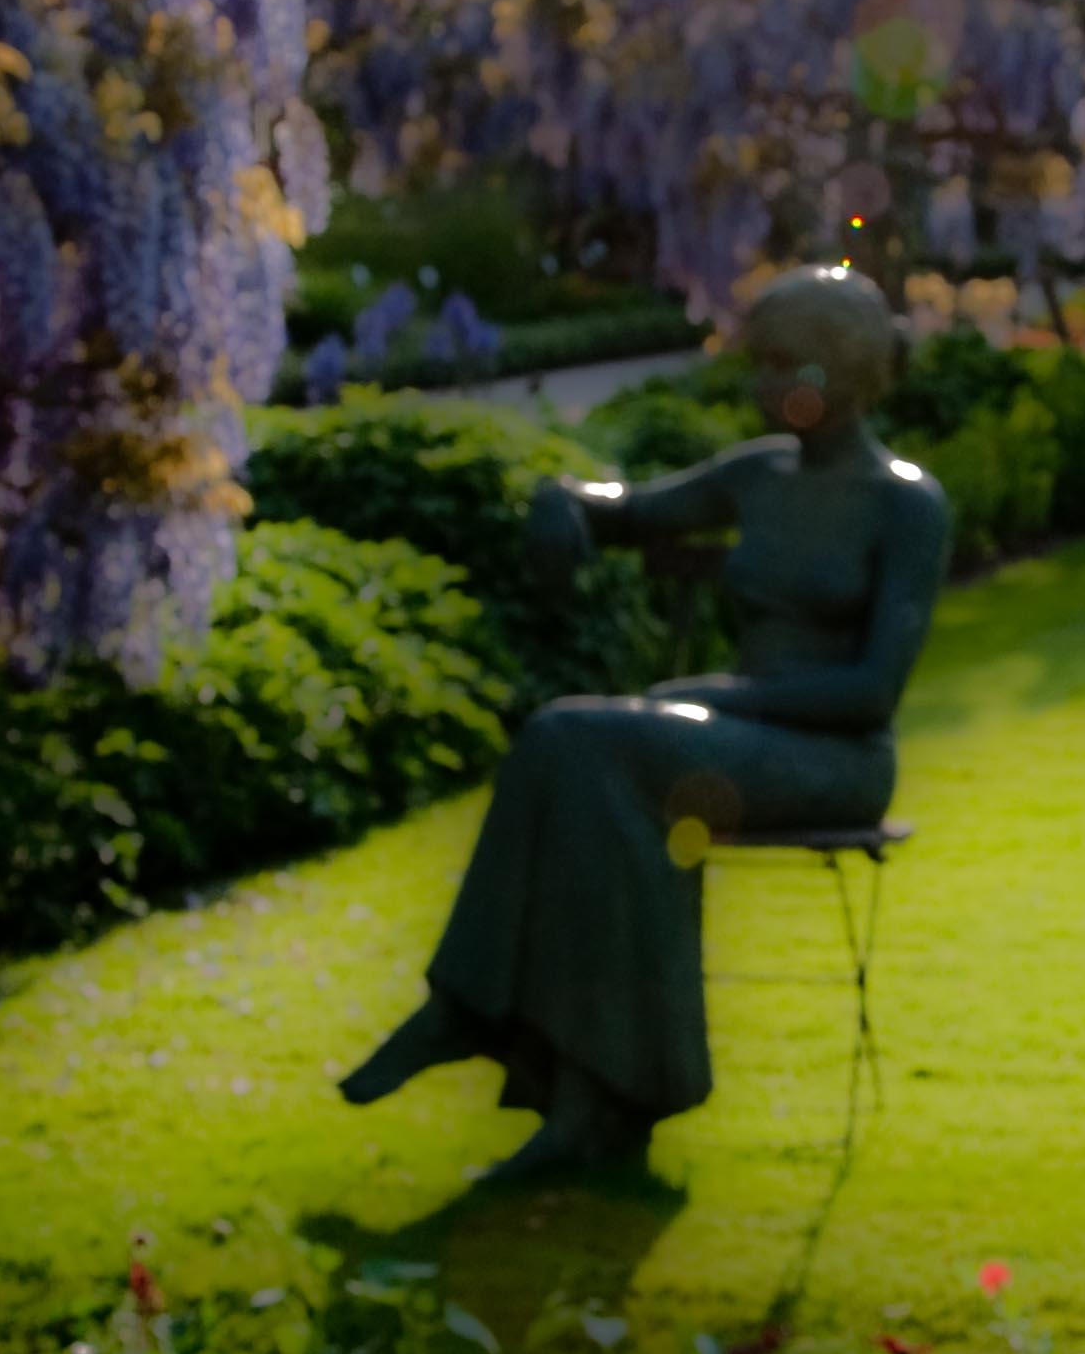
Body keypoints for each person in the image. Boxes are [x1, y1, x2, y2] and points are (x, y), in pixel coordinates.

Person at [339, 265, 951, 1177]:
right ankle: (591, 1106)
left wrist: (711, 699)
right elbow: (627, 511)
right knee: (581, 755)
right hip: (730, 741)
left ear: (839, 368)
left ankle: (483, 1017)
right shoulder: (758, 475)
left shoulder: (905, 503)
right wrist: (560, 497)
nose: (763, 384)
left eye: (785, 364)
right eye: (762, 363)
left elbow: (869, 693)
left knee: (585, 742)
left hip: (835, 757)